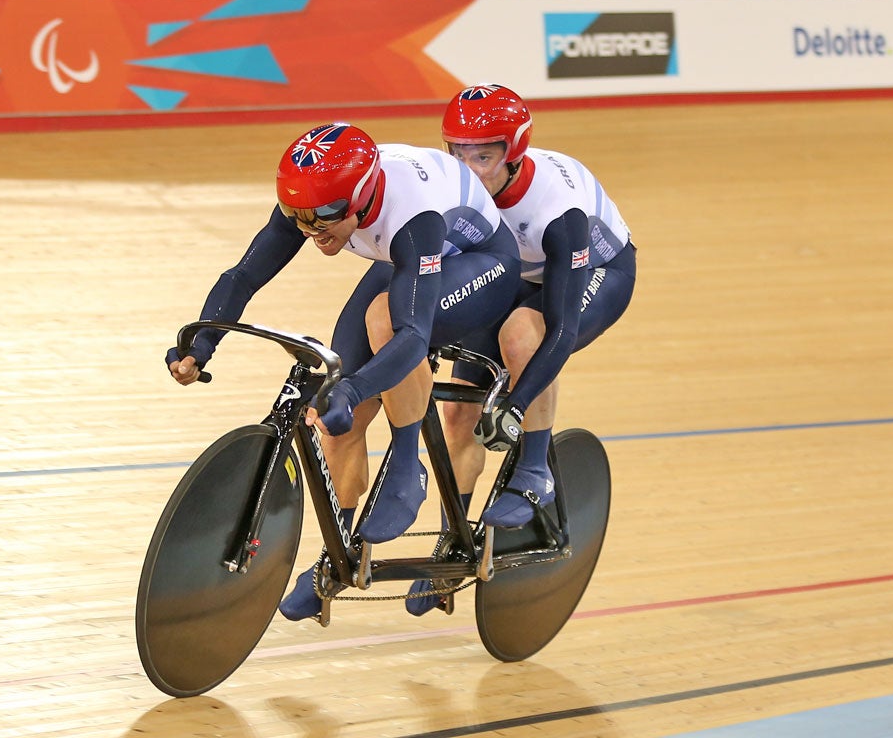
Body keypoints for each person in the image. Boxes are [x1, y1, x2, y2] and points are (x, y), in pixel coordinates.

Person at [167, 123, 521, 621]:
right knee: (337, 423)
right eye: (299, 218)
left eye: (326, 217)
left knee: (385, 324)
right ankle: (336, 559)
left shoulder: (411, 217)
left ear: (360, 196)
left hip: (481, 263)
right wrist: (202, 343)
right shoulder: (315, 201)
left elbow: (412, 336)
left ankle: (406, 468)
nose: (312, 230)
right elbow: (243, 275)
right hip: (407, 261)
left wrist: (354, 389)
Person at [406, 84, 636, 615]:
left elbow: (561, 329)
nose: (468, 168)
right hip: (515, 275)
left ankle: (535, 469)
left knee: (522, 338)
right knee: (458, 412)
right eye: (457, 153)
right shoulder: (454, 187)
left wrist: (516, 403)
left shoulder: (557, 207)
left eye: (483, 157)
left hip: (595, 272)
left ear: (513, 152)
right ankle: (451, 544)